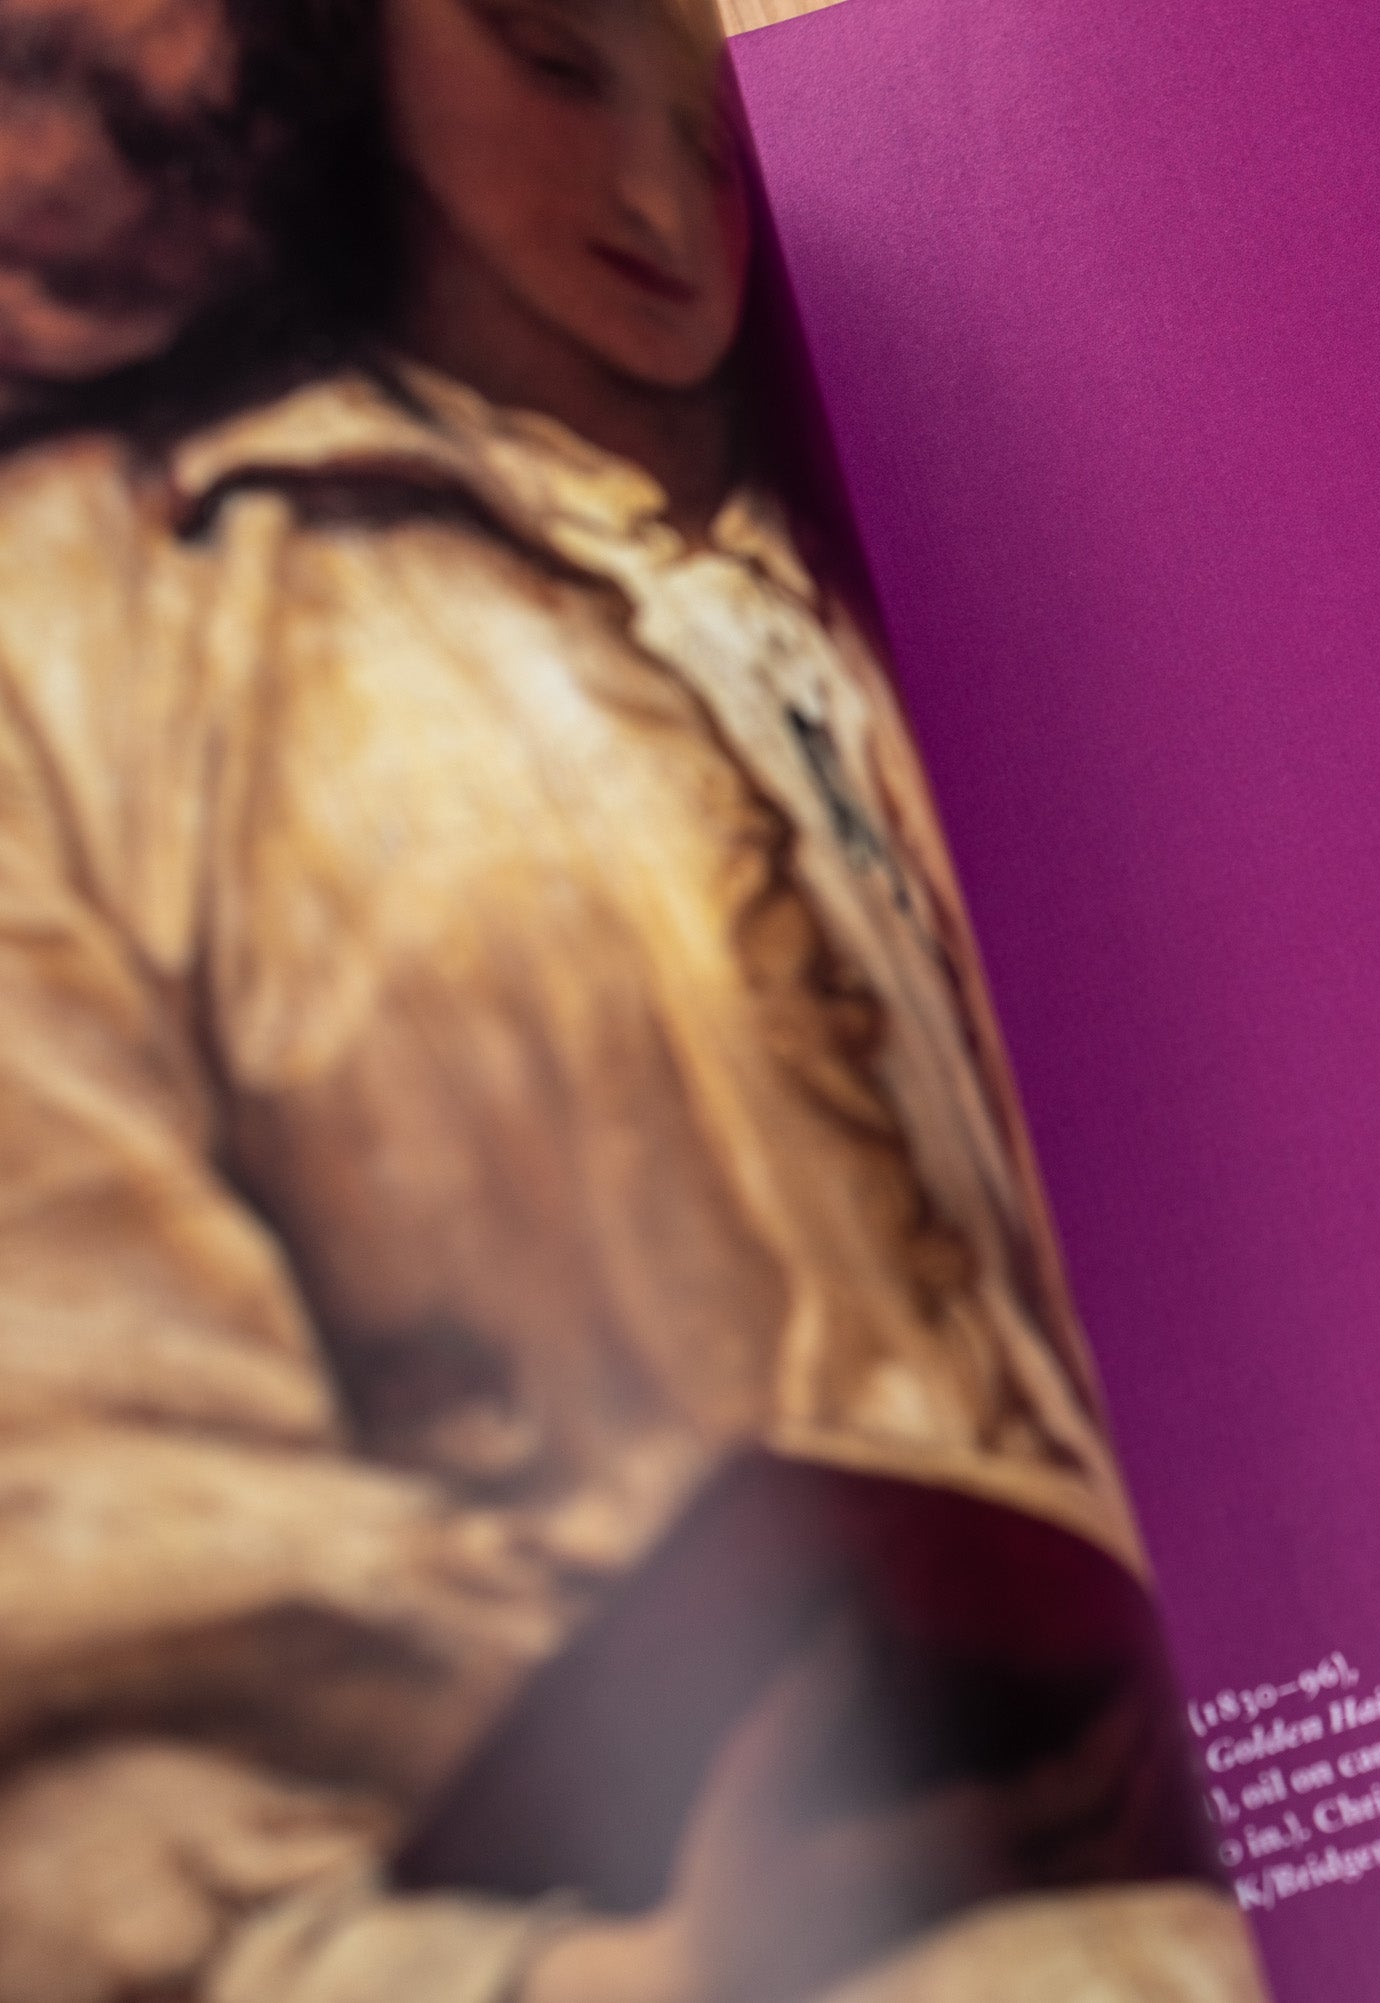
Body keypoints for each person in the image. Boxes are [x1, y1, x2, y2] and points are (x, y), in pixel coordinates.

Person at [0, 0, 1265, 1996]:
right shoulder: (131, 656)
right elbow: (103, 1715)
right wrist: (663, 1964)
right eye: (549, 64)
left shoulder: (811, 575)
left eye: (694, 116)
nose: (669, 207)